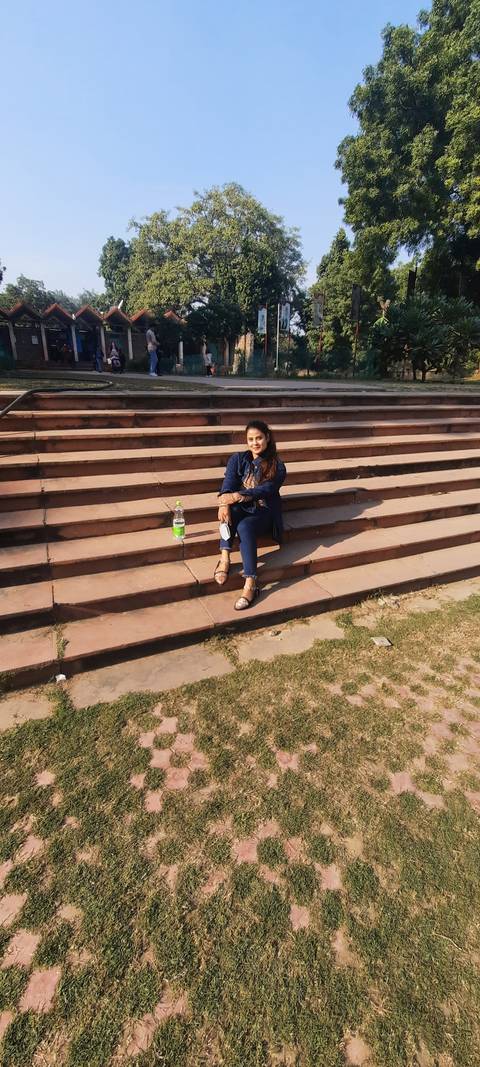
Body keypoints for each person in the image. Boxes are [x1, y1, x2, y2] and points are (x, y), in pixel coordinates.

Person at [214, 420, 287, 610]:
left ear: (267, 438)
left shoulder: (277, 466)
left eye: (259, 438)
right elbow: (228, 482)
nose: (255, 443)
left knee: (244, 526)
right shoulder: (238, 459)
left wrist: (238, 496)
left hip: (264, 512)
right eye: (251, 439)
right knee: (230, 511)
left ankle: (250, 584)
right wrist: (224, 502)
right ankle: (225, 558)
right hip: (240, 507)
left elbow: (266, 489)